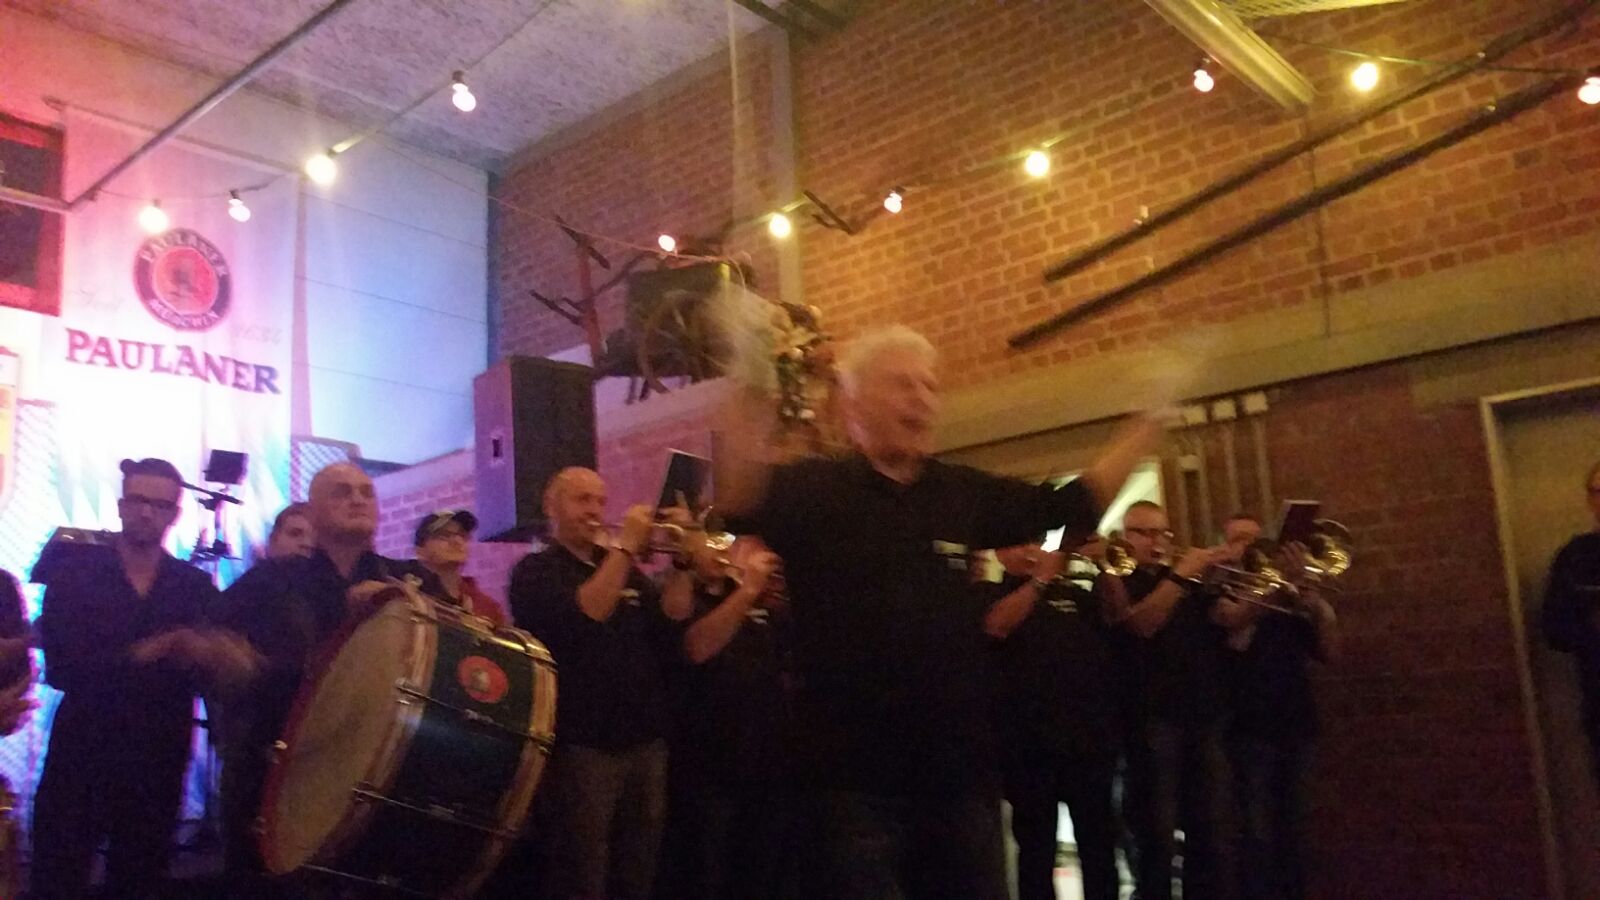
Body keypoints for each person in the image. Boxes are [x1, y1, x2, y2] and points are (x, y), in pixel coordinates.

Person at [715, 325, 1172, 900]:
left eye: (930, 386)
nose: (923, 399)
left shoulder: (959, 493)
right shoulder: (814, 489)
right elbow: (737, 497)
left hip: (958, 774)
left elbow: (1067, 506)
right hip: (849, 781)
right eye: (903, 385)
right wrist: (744, 373)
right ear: (853, 403)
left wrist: (1150, 419)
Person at [212, 461, 413, 891]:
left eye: (366, 492)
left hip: (376, 777)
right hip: (276, 774)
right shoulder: (271, 580)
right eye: (342, 491)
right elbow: (213, 644)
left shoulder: (406, 584)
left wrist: (400, 604)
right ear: (313, 511)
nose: (358, 499)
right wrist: (229, 658)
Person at [30, 458, 220, 898]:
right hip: (82, 750)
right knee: (58, 874)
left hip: (158, 755)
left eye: (159, 504)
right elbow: (60, 667)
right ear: (120, 505)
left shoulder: (192, 586)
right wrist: (146, 652)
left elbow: (212, 669)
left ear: (174, 513)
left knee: (140, 878)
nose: (146, 512)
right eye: (137, 500)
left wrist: (216, 655)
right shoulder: (75, 572)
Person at [508, 467, 696, 900]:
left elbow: (674, 617)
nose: (594, 510)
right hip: (584, 745)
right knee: (583, 872)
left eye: (599, 501)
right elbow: (588, 613)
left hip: (646, 739)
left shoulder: (622, 568)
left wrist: (684, 562)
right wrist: (625, 546)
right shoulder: (535, 571)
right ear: (551, 507)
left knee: (639, 869)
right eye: (582, 500)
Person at [1104, 500, 1236, 900]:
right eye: (1144, 532)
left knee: (1209, 829)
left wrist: (1266, 585)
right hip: (1153, 718)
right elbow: (1142, 624)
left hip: (1203, 715)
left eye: (1162, 532)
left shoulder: (1187, 582)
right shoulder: (1117, 579)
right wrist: (1181, 575)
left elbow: (1229, 621)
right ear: (1124, 537)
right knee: (1156, 834)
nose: (1156, 541)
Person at [981, 540, 1123, 900]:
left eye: (1035, 542)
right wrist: (1040, 580)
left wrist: (1105, 569)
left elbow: (1118, 619)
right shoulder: (994, 592)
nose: (1032, 550)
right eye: (1021, 544)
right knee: (1036, 850)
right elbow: (996, 626)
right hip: (1030, 746)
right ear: (1001, 554)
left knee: (1099, 846)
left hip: (1089, 740)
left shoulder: (1076, 593)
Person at [659, 536, 795, 900]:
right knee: (707, 874)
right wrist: (747, 590)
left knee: (759, 873)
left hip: (765, 765)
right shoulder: (685, 598)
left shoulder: (761, 604)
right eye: (716, 543)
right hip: (709, 767)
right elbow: (696, 647)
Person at [1214, 515, 1340, 900]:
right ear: (1226, 548)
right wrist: (1274, 587)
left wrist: (1317, 605)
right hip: (1249, 728)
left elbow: (1330, 652)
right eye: (1239, 539)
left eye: (1257, 538)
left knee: (1296, 830)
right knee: (1257, 833)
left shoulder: (1290, 593)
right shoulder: (1223, 589)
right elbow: (1235, 628)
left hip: (1298, 723)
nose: (1251, 546)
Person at [1542, 460, 1600, 783]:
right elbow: (1554, 630)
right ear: (1590, 499)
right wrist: (1591, 626)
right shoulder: (1575, 558)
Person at [412, 508, 506, 625]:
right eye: (444, 535)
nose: (457, 541)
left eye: (463, 535)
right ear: (420, 550)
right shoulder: (409, 594)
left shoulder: (487, 607)